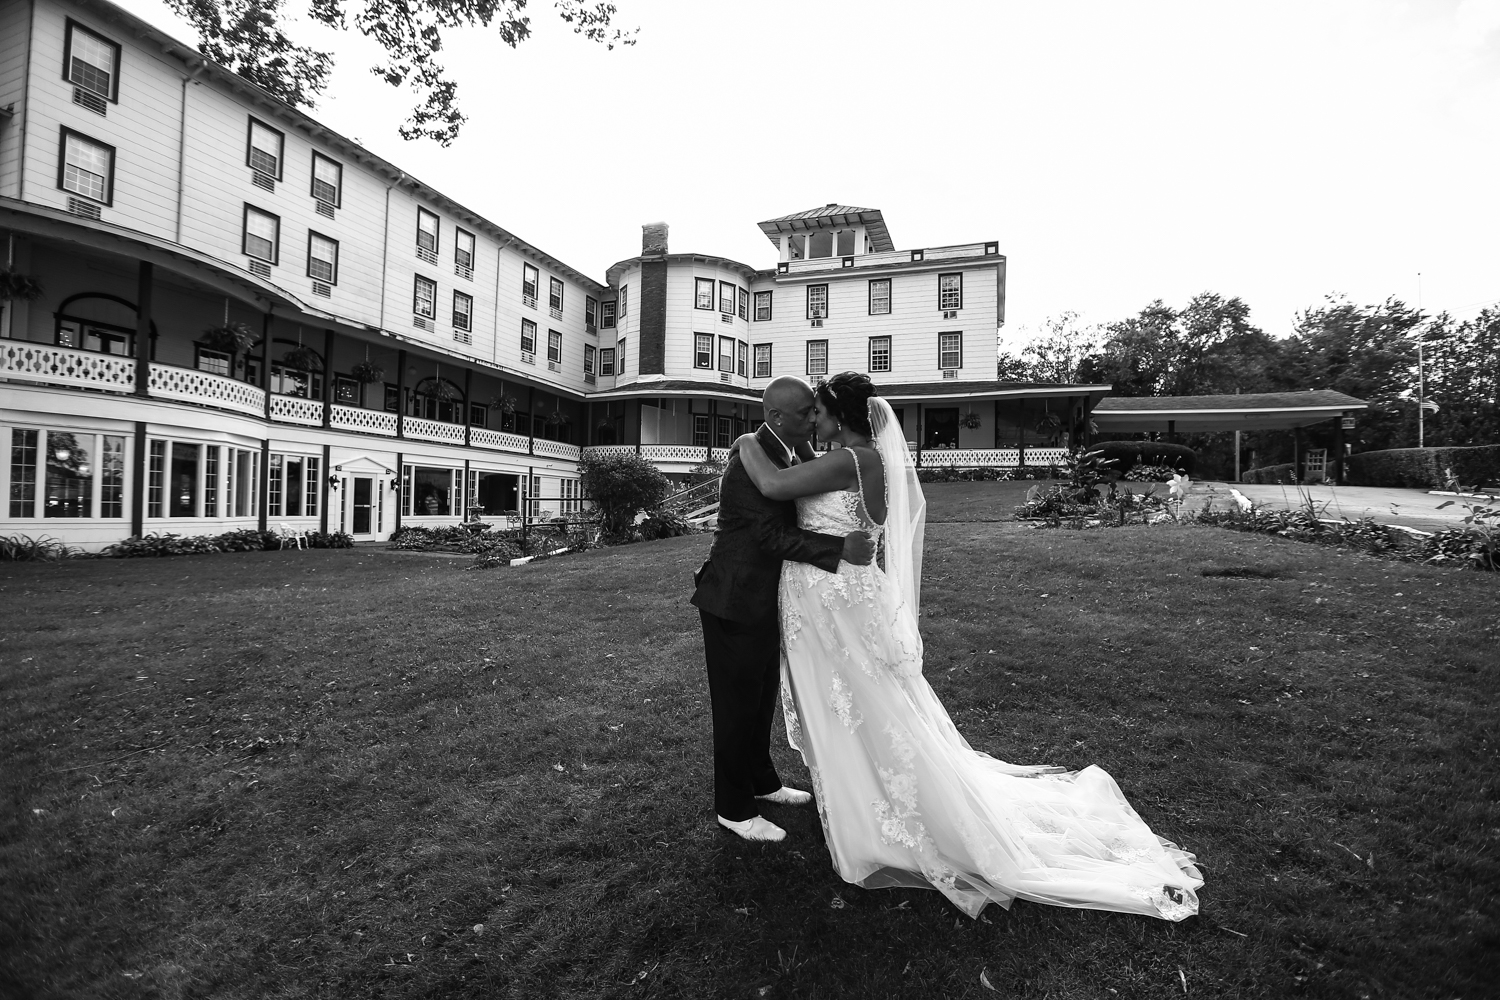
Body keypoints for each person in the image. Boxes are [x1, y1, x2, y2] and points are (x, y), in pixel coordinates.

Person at [731, 372, 1203, 920]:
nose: (813, 420)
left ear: (842, 417)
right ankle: (863, 796)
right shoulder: (868, 461)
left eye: (820, 412)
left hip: (831, 599)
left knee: (853, 702)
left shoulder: (849, 462)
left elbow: (770, 484)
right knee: (863, 701)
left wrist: (746, 441)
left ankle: (879, 815)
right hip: (845, 594)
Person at [691, 376, 874, 844]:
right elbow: (767, 537)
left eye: (817, 411)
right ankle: (733, 808)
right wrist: (837, 548)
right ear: (776, 417)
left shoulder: (785, 451)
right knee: (736, 706)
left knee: (761, 697)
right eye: (805, 413)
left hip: (768, 599)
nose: (814, 418)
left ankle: (763, 782)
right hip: (735, 598)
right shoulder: (749, 460)